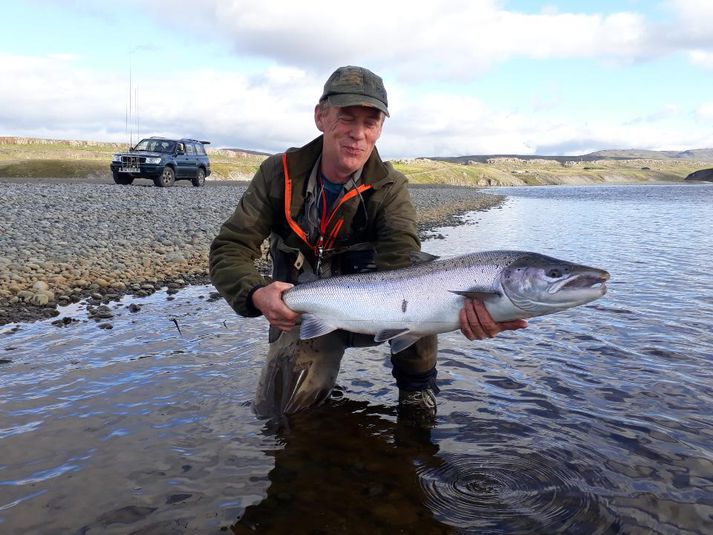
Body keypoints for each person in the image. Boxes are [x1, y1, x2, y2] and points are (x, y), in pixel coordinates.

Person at [209, 65, 526, 425]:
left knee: (421, 282)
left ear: (380, 128)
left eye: (370, 122)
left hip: (379, 308)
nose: (357, 134)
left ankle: (416, 393)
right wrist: (256, 294)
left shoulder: (390, 188)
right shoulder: (277, 174)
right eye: (347, 118)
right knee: (280, 416)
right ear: (321, 117)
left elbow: (402, 261)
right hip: (303, 312)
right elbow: (229, 248)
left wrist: (477, 312)